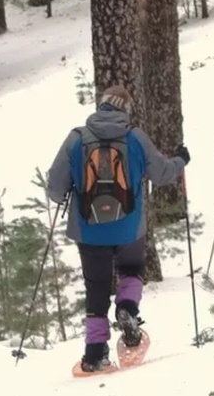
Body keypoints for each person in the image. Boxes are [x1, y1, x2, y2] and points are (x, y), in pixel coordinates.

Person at [47, 85, 190, 373]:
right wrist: (181, 160)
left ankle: (95, 354)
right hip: (129, 226)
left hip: (89, 230)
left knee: (96, 288)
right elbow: (162, 173)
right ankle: (127, 309)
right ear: (125, 109)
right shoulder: (135, 138)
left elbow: (54, 187)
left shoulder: (76, 139)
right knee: (132, 270)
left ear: (101, 106)